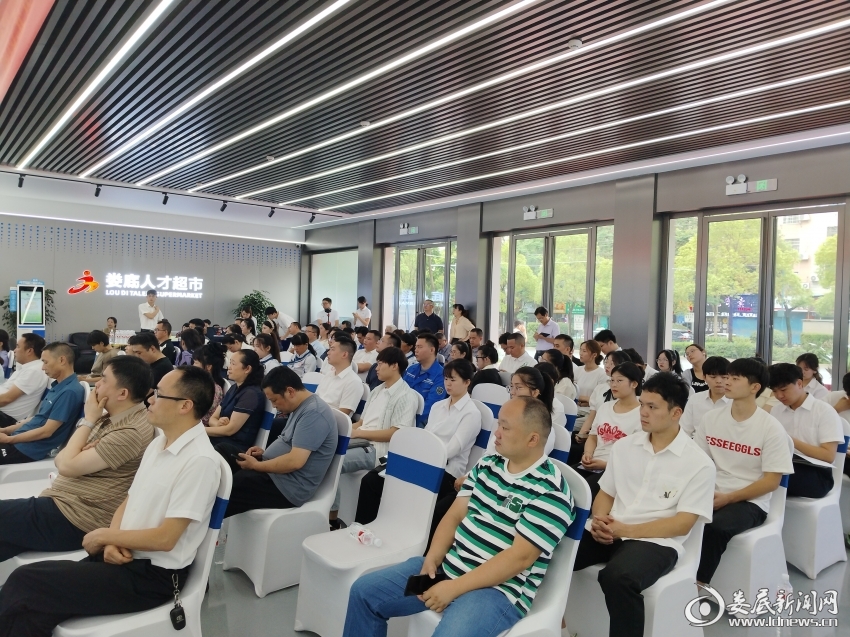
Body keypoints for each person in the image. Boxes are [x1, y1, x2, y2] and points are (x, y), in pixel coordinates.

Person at [0, 366, 221, 636]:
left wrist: (104, 536)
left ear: (185, 406)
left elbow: (166, 539)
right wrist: (113, 540)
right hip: (125, 556)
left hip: (152, 576)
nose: (150, 399)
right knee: (30, 609)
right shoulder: (159, 444)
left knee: (26, 582)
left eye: (159, 395)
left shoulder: (200, 462)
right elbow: (129, 499)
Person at [343, 397, 574, 637]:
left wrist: (453, 588)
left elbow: (519, 558)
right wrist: (432, 558)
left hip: (498, 591)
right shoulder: (488, 464)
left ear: (532, 439)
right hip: (449, 567)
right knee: (364, 593)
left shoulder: (550, 492)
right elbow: (454, 516)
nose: (497, 433)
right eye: (498, 425)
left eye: (505, 428)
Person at [573, 372, 715, 637]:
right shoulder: (624, 447)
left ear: (676, 413)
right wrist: (600, 520)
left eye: (653, 407)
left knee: (618, 578)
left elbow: (683, 523)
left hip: (657, 541)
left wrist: (625, 530)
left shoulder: (699, 463)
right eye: (642, 405)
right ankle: (557, 624)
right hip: (611, 529)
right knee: (554, 550)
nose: (643, 412)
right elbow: (606, 493)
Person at [0, 356, 155, 563]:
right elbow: (64, 459)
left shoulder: (129, 431)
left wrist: (88, 420)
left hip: (74, 518)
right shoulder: (114, 417)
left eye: (104, 380)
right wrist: (78, 448)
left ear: (122, 393)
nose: (96, 385)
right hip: (63, 505)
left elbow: (64, 464)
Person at [694, 357, 794, 586]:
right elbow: (698, 462)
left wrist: (728, 498)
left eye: (735, 378)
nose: (726, 382)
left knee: (715, 527)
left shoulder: (771, 428)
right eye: (727, 376)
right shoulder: (711, 419)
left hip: (750, 501)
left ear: (754, 387)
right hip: (712, 491)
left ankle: (698, 585)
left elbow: (771, 482)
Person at [355, 359, 480, 525]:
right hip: (423, 460)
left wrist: (420, 458)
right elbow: (425, 435)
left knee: (396, 486)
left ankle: (389, 527)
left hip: (446, 471)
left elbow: (451, 450)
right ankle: (364, 528)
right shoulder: (438, 406)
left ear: (467, 382)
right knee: (372, 480)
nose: (448, 384)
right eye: (446, 379)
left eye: (453, 379)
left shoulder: (471, 414)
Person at [223, 366, 337, 516]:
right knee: (225, 451)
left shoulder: (314, 413)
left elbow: (295, 462)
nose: (274, 406)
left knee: (235, 484)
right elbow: (290, 445)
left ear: (290, 391)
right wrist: (264, 454)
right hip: (277, 474)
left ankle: (206, 523)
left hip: (288, 487)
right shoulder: (299, 407)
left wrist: (257, 465)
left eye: (274, 400)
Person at [330, 347, 417, 529]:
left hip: (377, 450)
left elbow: (396, 433)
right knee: (324, 451)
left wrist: (359, 433)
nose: (376, 368)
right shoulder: (377, 390)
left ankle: (332, 519)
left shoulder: (406, 395)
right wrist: (346, 431)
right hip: (361, 441)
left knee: (333, 461)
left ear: (394, 366)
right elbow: (362, 422)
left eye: (380, 364)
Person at [0, 343, 84, 465]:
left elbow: (47, 431)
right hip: (19, 440)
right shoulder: (58, 387)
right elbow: (38, 418)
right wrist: (5, 430)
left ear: (62, 360)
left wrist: (9, 439)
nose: (43, 367)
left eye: (45, 362)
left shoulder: (69, 392)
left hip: (26, 449)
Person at [769, 362, 842, 498]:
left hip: (816, 474)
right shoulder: (776, 411)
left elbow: (828, 456)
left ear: (799, 383)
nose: (779, 396)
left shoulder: (824, 411)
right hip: (783, 466)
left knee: (766, 478)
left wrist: (789, 440)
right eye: (774, 391)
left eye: (783, 390)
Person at [575, 362, 643, 499]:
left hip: (617, 470)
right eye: (612, 380)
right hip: (593, 463)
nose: (614, 385)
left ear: (634, 384)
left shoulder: (642, 414)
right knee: (562, 481)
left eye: (619, 381)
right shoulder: (605, 407)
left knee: (581, 492)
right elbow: (593, 437)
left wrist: (605, 464)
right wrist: (587, 454)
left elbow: (637, 456)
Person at [206, 349, 266, 453]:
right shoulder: (234, 388)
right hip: (222, 440)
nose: (229, 367)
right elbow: (213, 418)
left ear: (247, 369)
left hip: (234, 447)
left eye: (233, 364)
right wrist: (218, 424)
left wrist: (198, 431)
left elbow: (230, 430)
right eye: (230, 363)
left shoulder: (250, 394)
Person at [0, 333, 50, 426]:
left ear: (29, 351)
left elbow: (7, 398)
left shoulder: (34, 371)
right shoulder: (27, 368)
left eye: (18, 347)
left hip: (4, 417)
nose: (14, 350)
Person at [679, 356, 730, 437]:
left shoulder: (736, 402)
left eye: (724, 377)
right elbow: (684, 430)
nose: (718, 381)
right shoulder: (695, 399)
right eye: (713, 377)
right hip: (696, 442)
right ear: (704, 377)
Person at [404, 333, 445, 427]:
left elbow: (430, 406)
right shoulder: (411, 369)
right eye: (416, 347)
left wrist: (408, 419)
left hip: (422, 421)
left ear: (432, 350)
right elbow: (400, 392)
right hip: (403, 413)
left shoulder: (441, 375)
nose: (416, 350)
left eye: (420, 347)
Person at [316, 338, 363, 416]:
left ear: (344, 354)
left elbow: (342, 416)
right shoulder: (328, 375)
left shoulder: (353, 382)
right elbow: (315, 400)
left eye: (332, 349)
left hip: (328, 421)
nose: (328, 352)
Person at [192, 343, 227, 426]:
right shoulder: (200, 384)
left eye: (196, 363)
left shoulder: (213, 390)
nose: (193, 366)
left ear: (208, 367)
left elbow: (201, 417)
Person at [573, 340, 607, 408]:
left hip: (592, 410)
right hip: (576, 408)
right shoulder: (578, 370)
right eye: (580, 350)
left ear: (594, 355)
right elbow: (573, 391)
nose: (581, 353)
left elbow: (601, 398)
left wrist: (587, 400)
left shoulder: (602, 374)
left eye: (584, 351)